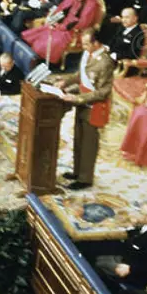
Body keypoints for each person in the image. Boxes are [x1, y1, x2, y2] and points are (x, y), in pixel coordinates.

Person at [46, 30, 114, 189]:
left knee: (89, 143)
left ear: (95, 43)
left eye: (85, 44)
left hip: (93, 106)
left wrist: (77, 99)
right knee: (78, 138)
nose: (82, 47)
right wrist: (65, 82)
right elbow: (80, 75)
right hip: (82, 102)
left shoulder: (105, 62)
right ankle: (77, 171)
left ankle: (85, 178)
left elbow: (103, 92)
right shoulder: (87, 54)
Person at [21, 0, 100, 65]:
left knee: (48, 42)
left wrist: (61, 27)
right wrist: (53, 20)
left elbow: (83, 23)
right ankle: (32, 56)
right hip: (60, 24)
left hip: (72, 31)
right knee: (37, 34)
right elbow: (60, 9)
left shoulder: (92, 4)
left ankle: (40, 61)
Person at [93, 201, 147, 288]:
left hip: (133, 271)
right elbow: (136, 234)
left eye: (140, 212)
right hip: (127, 255)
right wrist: (133, 225)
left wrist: (130, 269)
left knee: (98, 261)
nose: (137, 214)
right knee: (99, 251)